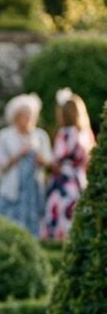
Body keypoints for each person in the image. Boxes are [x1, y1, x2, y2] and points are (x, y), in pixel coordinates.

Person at [0, 93, 52, 237]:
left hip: (34, 191)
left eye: (31, 115)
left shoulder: (40, 135)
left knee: (33, 227)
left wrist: (40, 159)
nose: (28, 119)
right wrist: (19, 154)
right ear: (15, 117)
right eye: (24, 115)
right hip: (12, 190)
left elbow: (49, 162)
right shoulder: (5, 136)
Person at [41, 90, 93, 241]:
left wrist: (44, 161)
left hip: (64, 181)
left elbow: (57, 159)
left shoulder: (65, 133)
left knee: (60, 212)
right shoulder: (85, 133)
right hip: (80, 179)